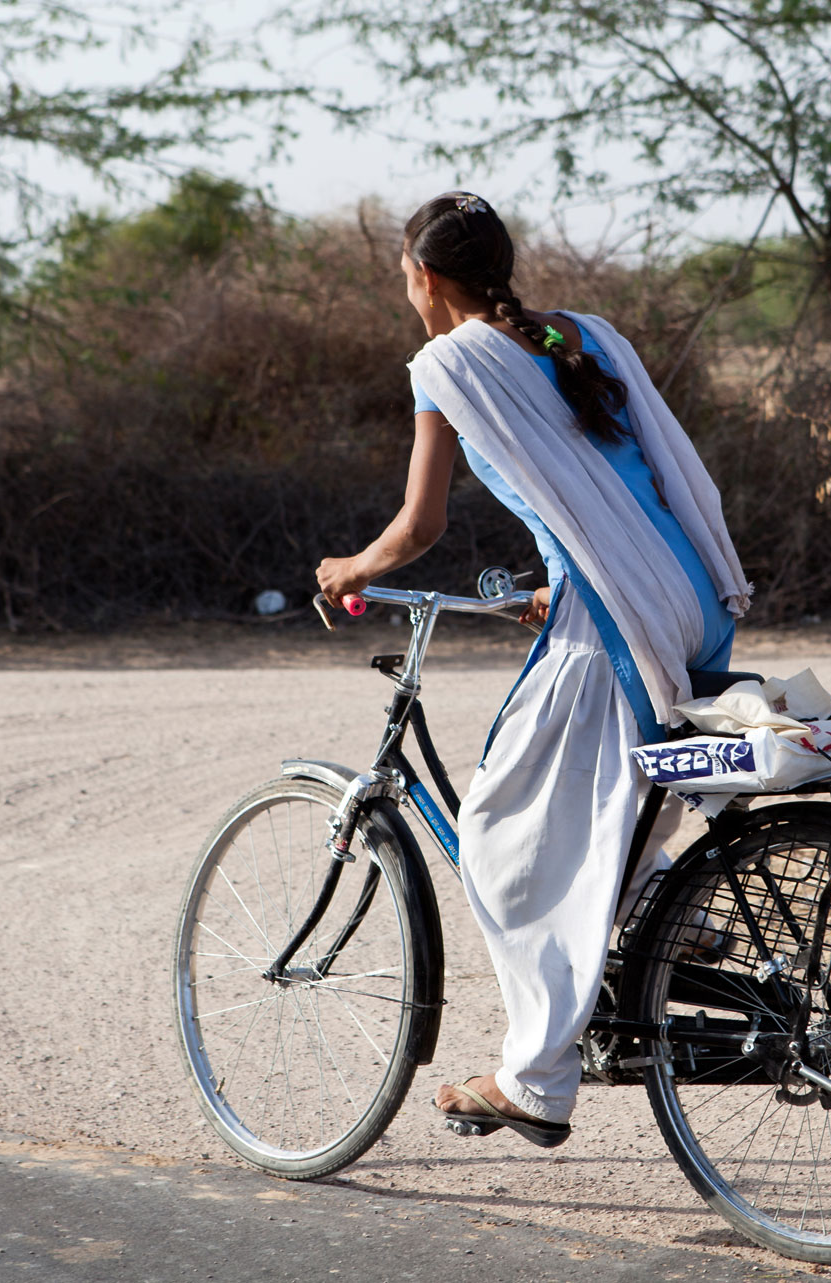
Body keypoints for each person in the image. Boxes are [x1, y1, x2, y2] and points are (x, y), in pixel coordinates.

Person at [312, 192, 750, 1147]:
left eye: (404, 278)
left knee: (500, 836)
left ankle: (536, 1079)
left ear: (424, 277)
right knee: (609, 806)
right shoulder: (582, 335)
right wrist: (568, 578)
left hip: (620, 613)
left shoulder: (446, 364)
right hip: (691, 594)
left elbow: (419, 528)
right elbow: (625, 488)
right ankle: (674, 925)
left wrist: (350, 569)